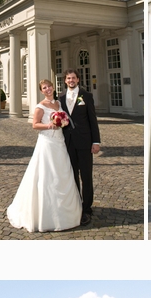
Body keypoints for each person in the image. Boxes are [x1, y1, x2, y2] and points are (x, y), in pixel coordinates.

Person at [7, 79, 83, 232]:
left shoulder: (59, 103)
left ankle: (66, 212)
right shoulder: (40, 106)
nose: (47, 89)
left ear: (53, 87)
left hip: (60, 142)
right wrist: (50, 125)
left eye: (49, 86)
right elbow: (35, 124)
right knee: (46, 175)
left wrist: (64, 122)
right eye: (44, 88)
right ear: (41, 91)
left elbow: (66, 118)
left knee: (63, 173)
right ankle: (45, 213)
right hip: (47, 142)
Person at [58, 70, 100, 226]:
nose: (71, 80)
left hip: (85, 142)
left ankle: (87, 208)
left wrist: (96, 142)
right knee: (72, 175)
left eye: (73, 78)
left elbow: (92, 120)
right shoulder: (60, 98)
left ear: (78, 79)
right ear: (65, 80)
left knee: (86, 176)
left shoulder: (86, 96)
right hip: (68, 143)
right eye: (68, 78)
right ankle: (76, 205)